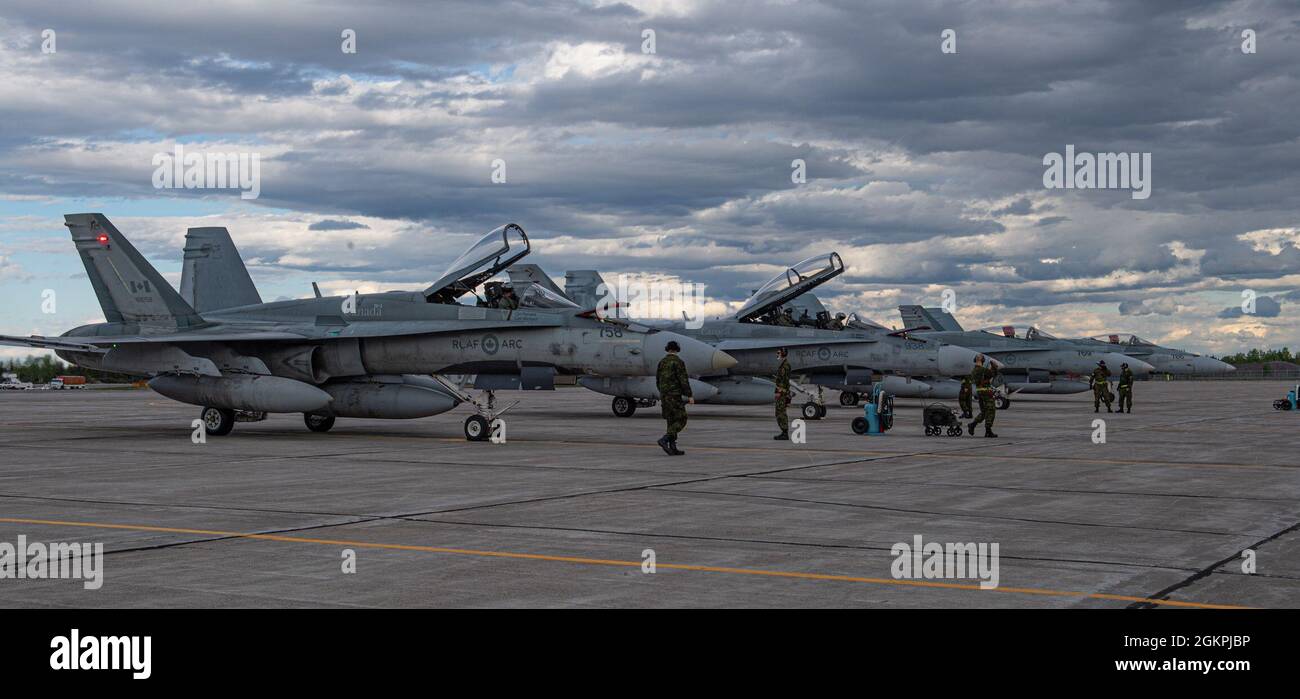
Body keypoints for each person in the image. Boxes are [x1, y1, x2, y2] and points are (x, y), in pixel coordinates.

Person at [655, 341, 693, 455]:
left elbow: (657, 379)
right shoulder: (678, 362)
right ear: (677, 349)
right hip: (674, 395)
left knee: (671, 420)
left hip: (664, 395)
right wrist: (689, 395)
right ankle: (664, 439)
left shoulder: (662, 362)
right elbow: (683, 380)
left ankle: (672, 447)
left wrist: (663, 392)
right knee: (682, 419)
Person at [967, 354, 999, 438]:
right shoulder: (982, 370)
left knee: (984, 412)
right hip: (986, 393)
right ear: (982, 360)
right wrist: (994, 366)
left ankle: (972, 425)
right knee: (991, 410)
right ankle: (988, 431)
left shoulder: (974, 370)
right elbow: (992, 374)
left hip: (980, 392)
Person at [773, 347, 792, 440]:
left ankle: (785, 433)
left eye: (779, 353)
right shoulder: (785, 364)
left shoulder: (784, 366)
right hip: (784, 392)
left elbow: (783, 381)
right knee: (780, 412)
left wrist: (778, 392)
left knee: (780, 413)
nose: (777, 354)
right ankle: (784, 432)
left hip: (782, 393)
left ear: (783, 354)